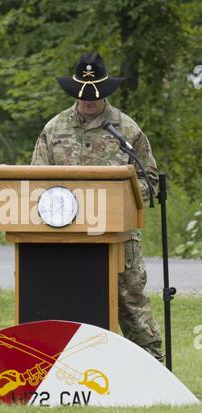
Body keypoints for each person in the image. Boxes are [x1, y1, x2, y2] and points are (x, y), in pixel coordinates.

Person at [30, 52, 164, 361]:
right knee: (67, 299)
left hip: (117, 235)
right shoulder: (54, 129)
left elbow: (150, 180)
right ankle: (67, 365)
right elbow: (35, 182)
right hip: (65, 235)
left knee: (131, 301)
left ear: (105, 93)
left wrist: (119, 202)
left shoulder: (126, 130)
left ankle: (154, 368)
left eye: (95, 96)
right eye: (82, 96)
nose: (88, 102)